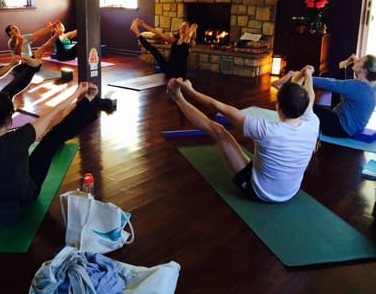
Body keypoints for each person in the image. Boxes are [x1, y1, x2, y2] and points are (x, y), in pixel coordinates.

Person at [166, 65, 319, 203]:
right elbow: (310, 95)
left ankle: (177, 98)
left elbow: (216, 105)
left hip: (259, 193)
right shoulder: (313, 123)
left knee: (219, 131)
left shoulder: (265, 130)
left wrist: (189, 91)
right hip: (291, 192)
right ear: (305, 106)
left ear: (277, 105)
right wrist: (309, 75)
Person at [0, 80, 99, 202]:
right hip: (25, 196)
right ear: (10, 117)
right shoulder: (22, 136)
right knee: (51, 139)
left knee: (44, 145)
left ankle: (88, 104)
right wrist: (80, 92)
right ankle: (89, 104)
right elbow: (55, 111)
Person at [310, 53, 375, 137]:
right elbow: (344, 86)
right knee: (341, 89)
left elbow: (329, 83)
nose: (356, 61)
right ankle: (342, 67)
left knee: (305, 106)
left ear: (364, 70)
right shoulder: (371, 86)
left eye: (358, 61)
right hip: (352, 127)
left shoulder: (356, 86)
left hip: (341, 128)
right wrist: (352, 63)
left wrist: (305, 76)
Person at [130, 18, 197, 78]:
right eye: (182, 26)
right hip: (168, 69)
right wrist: (144, 25)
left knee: (154, 50)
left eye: (186, 26)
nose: (183, 27)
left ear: (189, 30)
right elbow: (158, 33)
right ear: (180, 30)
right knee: (154, 49)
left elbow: (193, 27)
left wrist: (193, 28)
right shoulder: (173, 40)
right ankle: (136, 32)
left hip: (180, 74)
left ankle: (136, 31)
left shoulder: (190, 43)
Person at [3, 23, 58, 95]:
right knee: (24, 58)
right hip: (20, 66)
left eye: (15, 27)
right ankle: (34, 63)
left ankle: (57, 34)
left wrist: (51, 27)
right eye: (13, 28)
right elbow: (14, 43)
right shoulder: (10, 42)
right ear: (10, 33)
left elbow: (38, 33)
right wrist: (15, 37)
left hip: (31, 61)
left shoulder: (25, 37)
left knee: (42, 48)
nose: (15, 28)